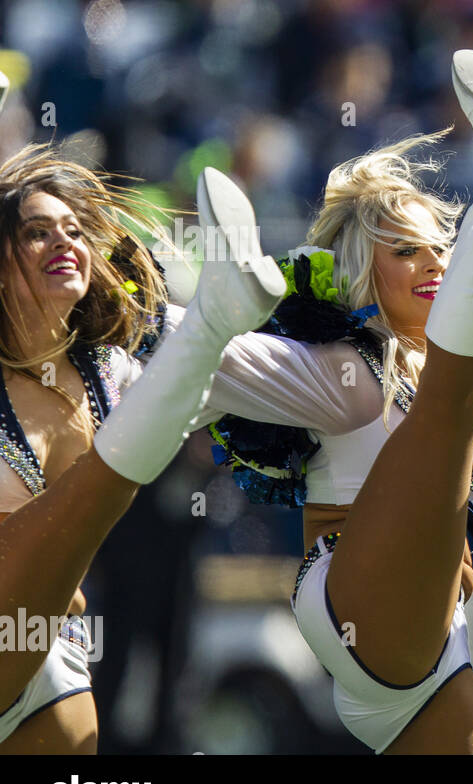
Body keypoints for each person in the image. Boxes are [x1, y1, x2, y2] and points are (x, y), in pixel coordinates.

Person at [200, 50, 473, 753]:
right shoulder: (346, 370)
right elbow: (220, 364)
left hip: (435, 634)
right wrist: (204, 317)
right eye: (406, 251)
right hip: (353, 599)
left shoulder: (467, 374)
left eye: (440, 248)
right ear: (361, 265)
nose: (433, 265)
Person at [0, 145, 284, 752]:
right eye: (36, 232)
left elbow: (275, 377)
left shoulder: (111, 374)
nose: (64, 242)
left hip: (51, 664)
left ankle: (216, 316)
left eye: (75, 231)